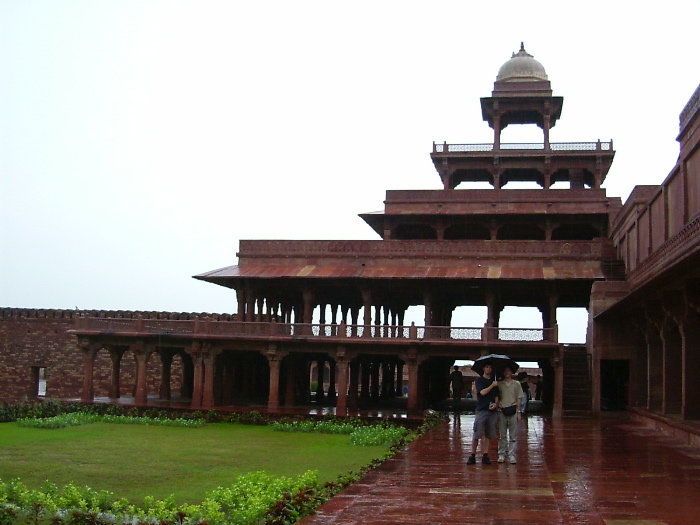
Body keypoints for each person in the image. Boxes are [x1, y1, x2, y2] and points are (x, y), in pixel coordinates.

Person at [466, 363, 499, 465]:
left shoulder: (495, 381)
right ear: (484, 369)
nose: (489, 369)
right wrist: (492, 385)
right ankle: (473, 455)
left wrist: (496, 404)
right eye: (487, 367)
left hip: (491, 410)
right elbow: (482, 392)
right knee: (477, 433)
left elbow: (497, 395)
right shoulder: (479, 380)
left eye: (490, 367)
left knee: (488, 434)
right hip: (482, 409)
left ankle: (485, 454)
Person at [497, 366, 523, 464]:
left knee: (513, 436)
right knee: (502, 435)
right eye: (505, 370)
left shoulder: (516, 384)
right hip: (502, 410)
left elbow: (519, 398)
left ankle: (512, 455)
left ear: (512, 372)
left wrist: (519, 411)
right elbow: (497, 397)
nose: (507, 372)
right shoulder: (499, 384)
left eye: (509, 370)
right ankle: (501, 454)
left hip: (513, 409)